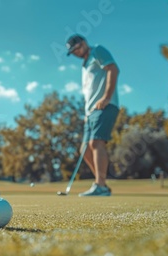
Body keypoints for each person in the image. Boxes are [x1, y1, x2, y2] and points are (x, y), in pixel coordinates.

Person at [66, 34, 120, 196]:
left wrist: (106, 97)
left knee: (96, 143)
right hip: (90, 112)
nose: (75, 53)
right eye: (73, 52)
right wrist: (86, 113)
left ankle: (100, 185)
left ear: (83, 43)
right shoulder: (84, 65)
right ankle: (101, 183)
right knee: (84, 149)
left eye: (76, 49)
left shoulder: (98, 51)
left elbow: (113, 69)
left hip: (104, 106)